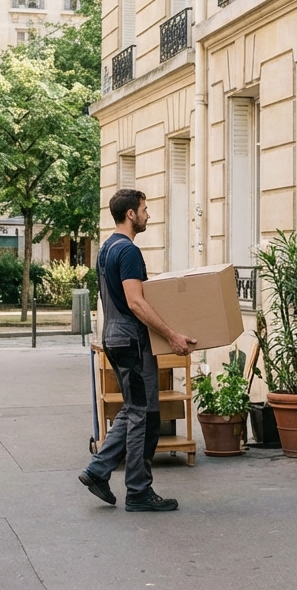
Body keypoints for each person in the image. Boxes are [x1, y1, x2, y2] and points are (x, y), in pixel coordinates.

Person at [79, 189, 196, 512]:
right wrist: (171, 335)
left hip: (114, 337)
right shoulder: (128, 251)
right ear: (130, 214)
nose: (148, 215)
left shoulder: (106, 248)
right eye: (144, 209)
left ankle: (98, 470)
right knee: (142, 415)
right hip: (131, 340)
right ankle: (138, 491)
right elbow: (135, 300)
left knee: (135, 410)